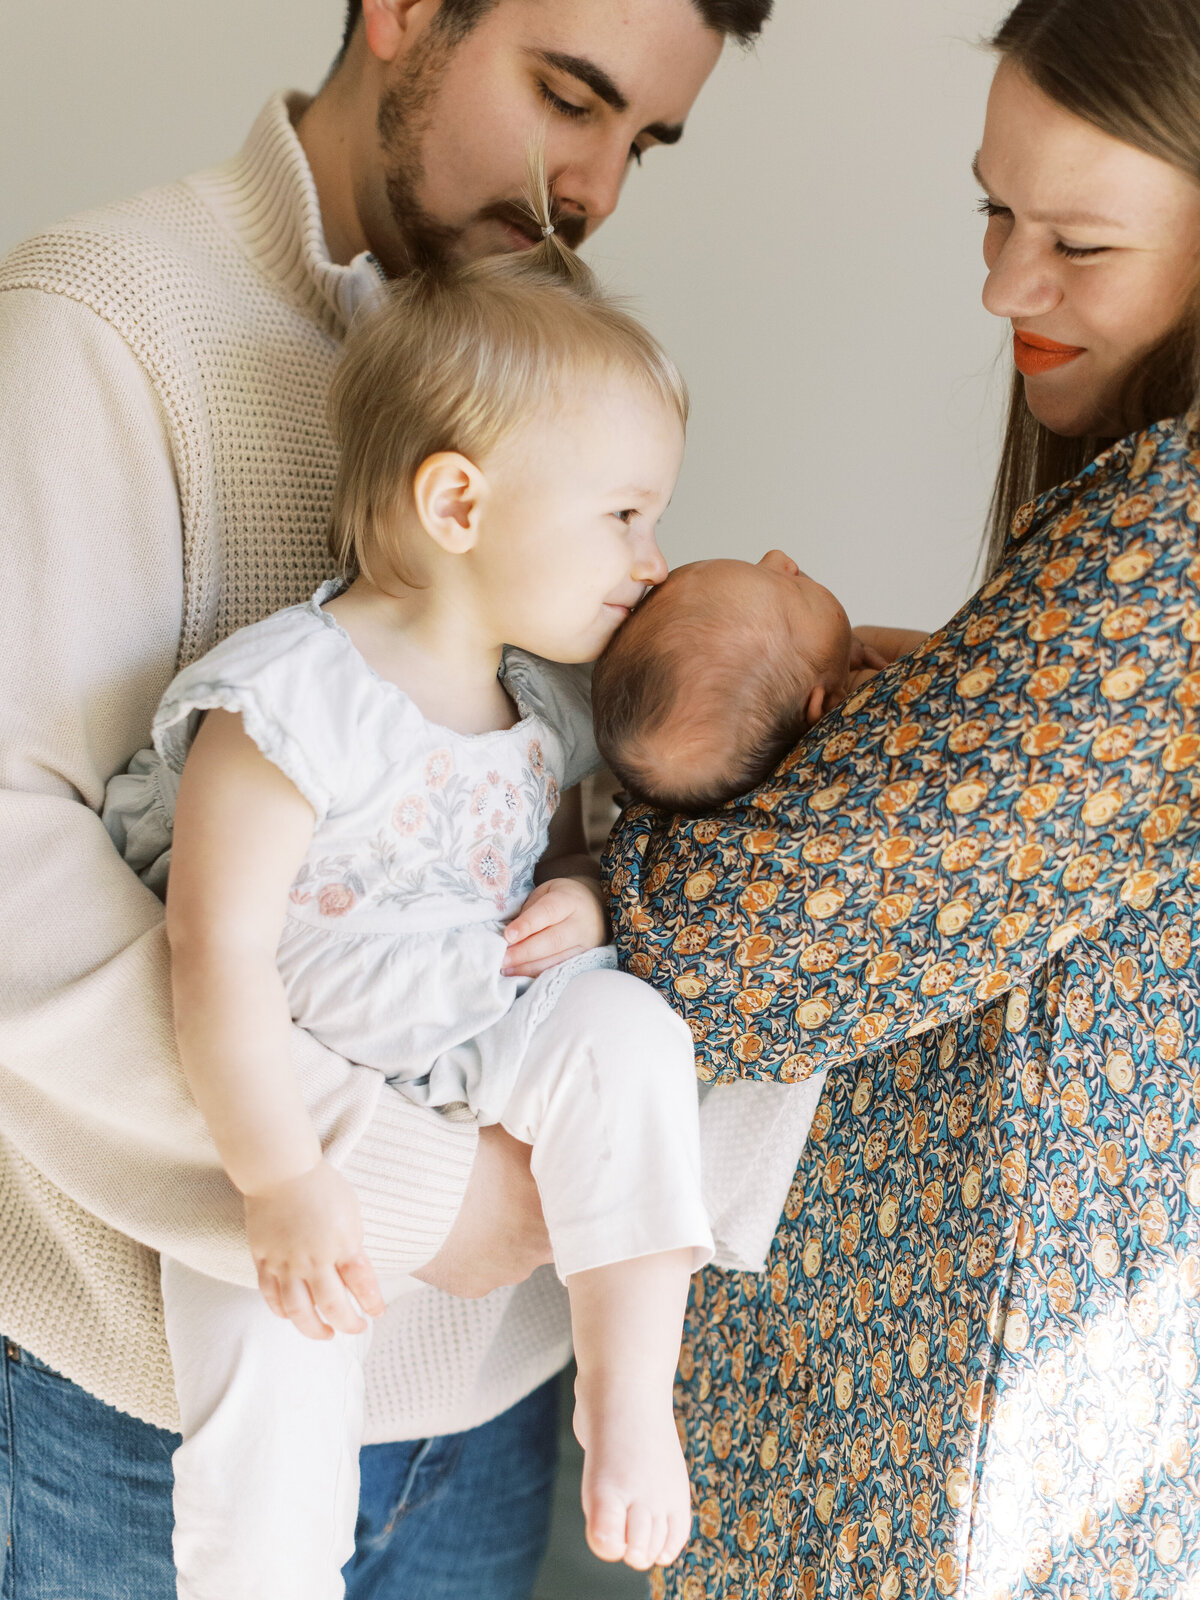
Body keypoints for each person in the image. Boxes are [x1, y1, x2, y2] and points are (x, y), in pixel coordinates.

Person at [0, 1, 770, 1593]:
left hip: (490, 1402)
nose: (598, 185)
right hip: (147, 1400)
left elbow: (533, 812)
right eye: (570, 97)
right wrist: (412, 1195)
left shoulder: (541, 372)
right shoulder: (98, 326)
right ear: (401, 10)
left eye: (645, 141)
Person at [606, 0, 1200, 1594]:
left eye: (1080, 240)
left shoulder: (1177, 535)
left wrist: (613, 836)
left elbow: (719, 953)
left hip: (947, 1473)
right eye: (993, 209)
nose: (1006, 284)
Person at [104, 200, 711, 1595]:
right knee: (271, 1374)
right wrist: (283, 1180)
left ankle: (629, 1398)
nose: (651, 561)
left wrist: (589, 905)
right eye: (624, 515)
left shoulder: (540, 713)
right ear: (457, 503)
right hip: (288, 1116)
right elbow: (211, 959)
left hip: (469, 1034)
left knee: (633, 1039)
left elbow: (554, 876)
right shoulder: (286, 703)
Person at [592, 551, 885, 812]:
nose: (778, 557)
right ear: (820, 707)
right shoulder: (874, 710)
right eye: (796, 590)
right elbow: (926, 652)